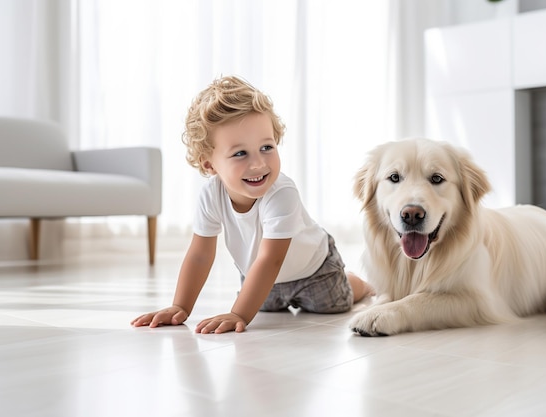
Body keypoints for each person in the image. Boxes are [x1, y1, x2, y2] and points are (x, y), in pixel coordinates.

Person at [131, 75, 373, 334]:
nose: (258, 164)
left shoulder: (282, 192)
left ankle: (362, 285)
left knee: (335, 302)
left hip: (313, 269)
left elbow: (271, 258)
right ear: (209, 164)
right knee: (265, 306)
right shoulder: (210, 195)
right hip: (261, 275)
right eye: (240, 153)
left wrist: (239, 314)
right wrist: (180, 306)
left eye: (266, 147)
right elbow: (200, 254)